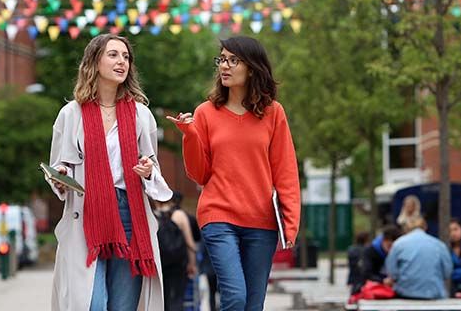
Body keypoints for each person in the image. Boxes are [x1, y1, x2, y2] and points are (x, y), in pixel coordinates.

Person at [168, 36, 301, 311]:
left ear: (251, 67)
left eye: (233, 60)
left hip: (261, 221)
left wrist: (290, 221)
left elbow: (285, 171)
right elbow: (199, 174)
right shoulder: (205, 113)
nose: (224, 66)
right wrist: (190, 136)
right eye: (221, 59)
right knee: (235, 297)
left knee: (254, 304)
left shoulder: (273, 113)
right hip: (219, 216)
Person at [46, 33, 173, 311]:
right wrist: (61, 178)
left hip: (130, 214)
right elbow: (57, 168)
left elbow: (156, 176)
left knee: (123, 306)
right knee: (92, 304)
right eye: (113, 55)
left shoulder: (141, 115)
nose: (121, 62)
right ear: (94, 62)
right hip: (86, 214)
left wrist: (149, 171)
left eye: (126, 56)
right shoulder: (71, 114)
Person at [385, 217, 452, 299]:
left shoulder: (398, 244)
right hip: (434, 294)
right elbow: (447, 271)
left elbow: (392, 273)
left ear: (406, 228)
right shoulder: (439, 244)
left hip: (405, 294)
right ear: (425, 227)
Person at [155, 193, 198, 311]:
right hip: (179, 264)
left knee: (162, 297)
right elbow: (190, 243)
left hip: (161, 264)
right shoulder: (179, 215)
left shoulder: (154, 215)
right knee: (178, 297)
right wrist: (192, 263)